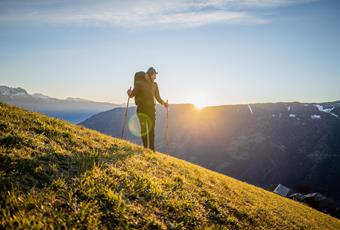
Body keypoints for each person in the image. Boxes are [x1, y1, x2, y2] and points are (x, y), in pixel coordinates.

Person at [127, 67, 168, 151]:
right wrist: (129, 93)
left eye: (155, 75)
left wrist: (164, 104)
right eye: (154, 75)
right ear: (149, 74)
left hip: (151, 110)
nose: (155, 77)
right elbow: (132, 95)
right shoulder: (140, 83)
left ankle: (152, 149)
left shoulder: (155, 85)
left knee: (151, 130)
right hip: (141, 109)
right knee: (144, 130)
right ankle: (146, 148)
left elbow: (158, 97)